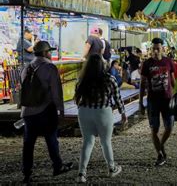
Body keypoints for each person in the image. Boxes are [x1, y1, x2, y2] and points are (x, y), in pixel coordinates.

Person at [20, 41, 72, 183]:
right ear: (44, 53)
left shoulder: (26, 67)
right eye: (49, 51)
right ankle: (57, 166)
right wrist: (61, 110)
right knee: (51, 139)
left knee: (28, 143)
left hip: (28, 112)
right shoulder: (49, 67)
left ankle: (27, 172)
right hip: (45, 110)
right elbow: (56, 93)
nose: (51, 53)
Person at [74, 54, 126, 183]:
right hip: (103, 112)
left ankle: (82, 173)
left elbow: (77, 98)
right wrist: (123, 113)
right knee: (106, 142)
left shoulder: (82, 80)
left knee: (87, 142)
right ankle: (111, 168)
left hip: (84, 112)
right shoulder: (110, 79)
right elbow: (117, 98)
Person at [139, 38, 176, 166]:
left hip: (167, 100)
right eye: (153, 48)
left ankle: (161, 145)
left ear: (163, 48)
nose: (155, 51)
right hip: (152, 101)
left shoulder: (168, 61)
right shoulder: (147, 63)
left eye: (158, 48)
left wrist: (176, 96)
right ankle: (160, 155)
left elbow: (172, 81)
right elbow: (143, 84)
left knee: (169, 127)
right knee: (154, 129)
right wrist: (140, 103)